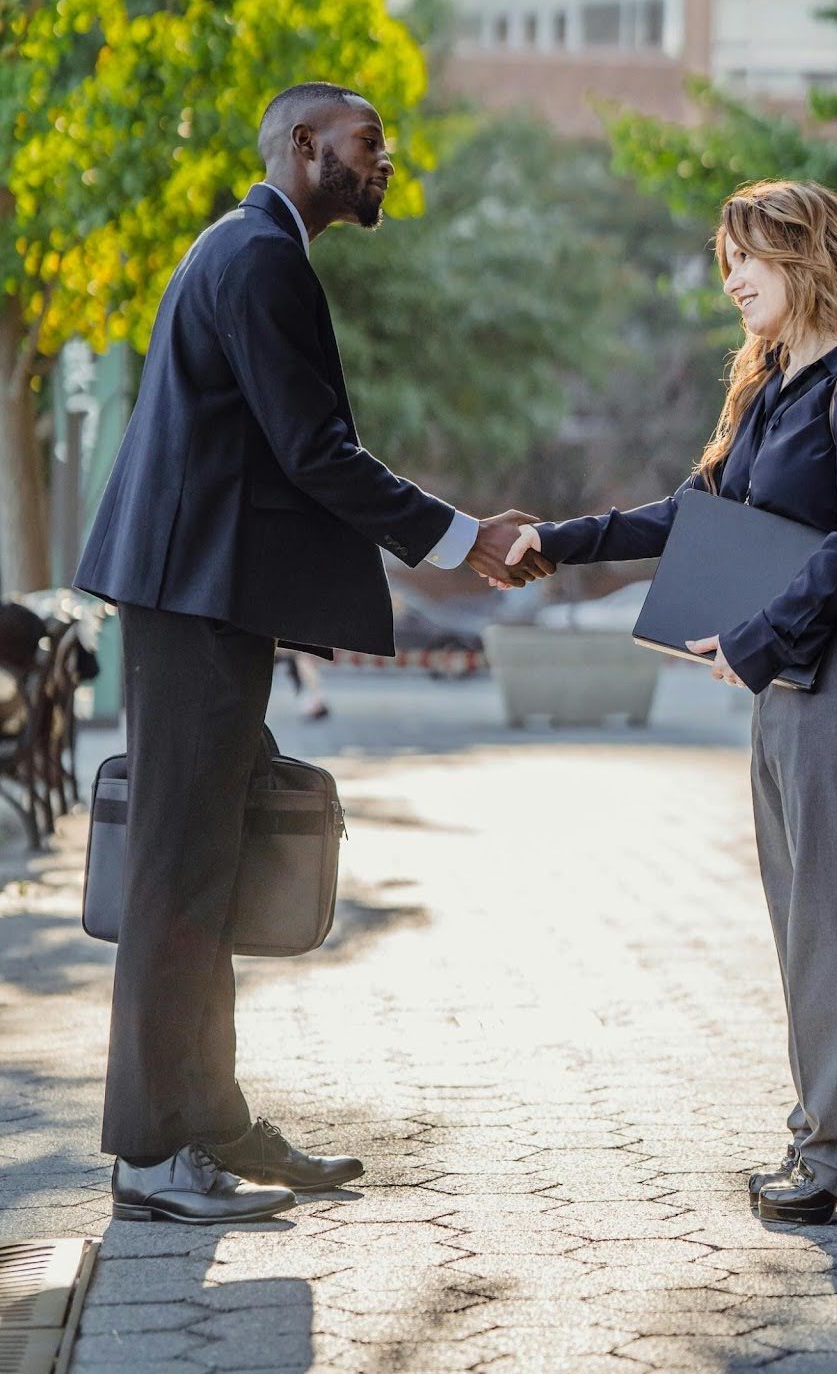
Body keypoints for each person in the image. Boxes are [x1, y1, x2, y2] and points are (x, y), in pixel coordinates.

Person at [75, 81, 553, 1225]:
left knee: (206, 863)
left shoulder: (249, 247)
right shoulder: (259, 257)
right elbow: (314, 450)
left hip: (198, 594)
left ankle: (212, 1121)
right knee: (179, 868)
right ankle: (153, 1151)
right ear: (303, 146)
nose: (383, 161)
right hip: (190, 596)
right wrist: (459, 538)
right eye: (366, 142)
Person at [503, 180, 837, 1227]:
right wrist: (554, 541)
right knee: (804, 920)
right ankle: (824, 1136)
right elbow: (689, 511)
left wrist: (756, 640)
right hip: (786, 678)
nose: (730, 277)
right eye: (724, 258)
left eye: (747, 255)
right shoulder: (771, 384)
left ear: (809, 256)